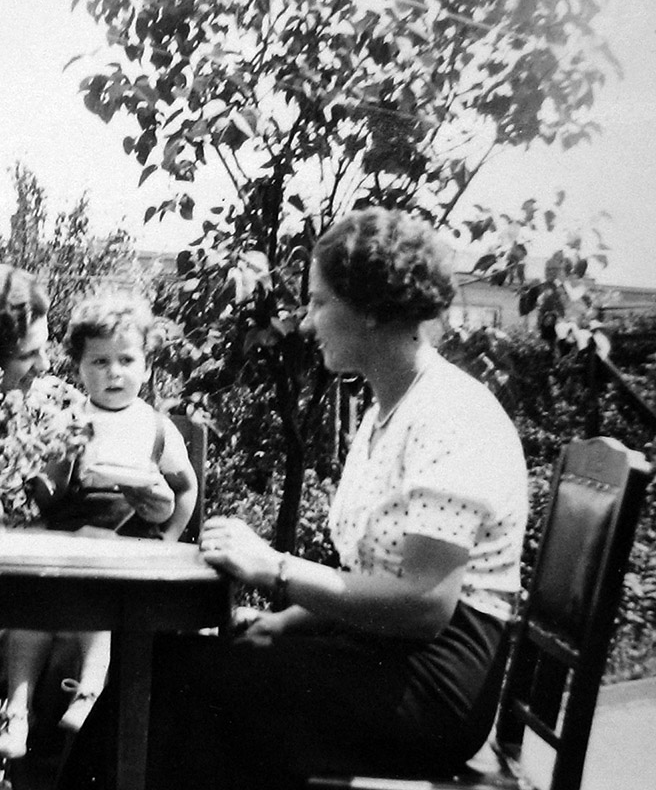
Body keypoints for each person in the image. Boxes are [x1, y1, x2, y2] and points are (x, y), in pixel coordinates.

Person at [58, 207, 529, 790]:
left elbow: (425, 604)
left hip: (432, 689)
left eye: (320, 302)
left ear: (372, 309)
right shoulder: (389, 412)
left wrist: (274, 568)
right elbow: (375, 579)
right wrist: (284, 625)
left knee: (183, 689)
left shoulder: (450, 415)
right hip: (384, 656)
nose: (306, 321)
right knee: (162, 663)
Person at [0, 293, 197, 759]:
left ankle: (88, 691)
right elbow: (47, 499)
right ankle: (17, 714)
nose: (114, 373)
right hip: (68, 545)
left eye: (127, 360)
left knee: (98, 601)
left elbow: (185, 488)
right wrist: (59, 465)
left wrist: (167, 540)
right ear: (79, 368)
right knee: (30, 613)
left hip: (124, 551)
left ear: (147, 366)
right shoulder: (69, 420)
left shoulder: (156, 428)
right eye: (99, 362)